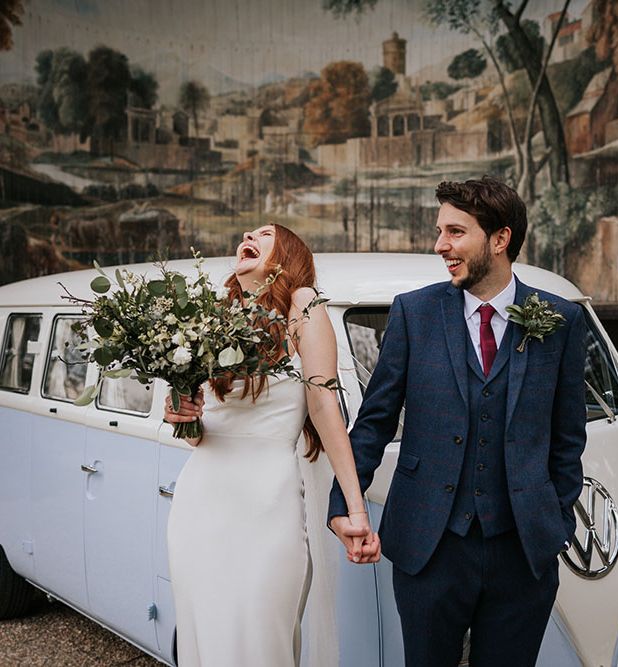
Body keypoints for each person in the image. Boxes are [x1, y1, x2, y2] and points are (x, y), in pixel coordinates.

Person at [329, 176, 587, 667]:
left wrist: (554, 520)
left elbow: (567, 437)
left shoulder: (558, 320)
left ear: (499, 238)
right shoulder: (414, 314)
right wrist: (346, 503)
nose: (440, 245)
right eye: (440, 231)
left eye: (454, 231)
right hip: (430, 546)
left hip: (523, 553)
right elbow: (374, 422)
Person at [164, 223, 376, 667]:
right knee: (206, 633)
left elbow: (323, 406)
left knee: (263, 635)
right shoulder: (215, 315)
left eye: (264, 234)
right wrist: (184, 414)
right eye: (245, 233)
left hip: (267, 501)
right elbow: (200, 435)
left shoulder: (304, 303)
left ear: (287, 255)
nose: (247, 236)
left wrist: (356, 509)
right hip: (200, 499)